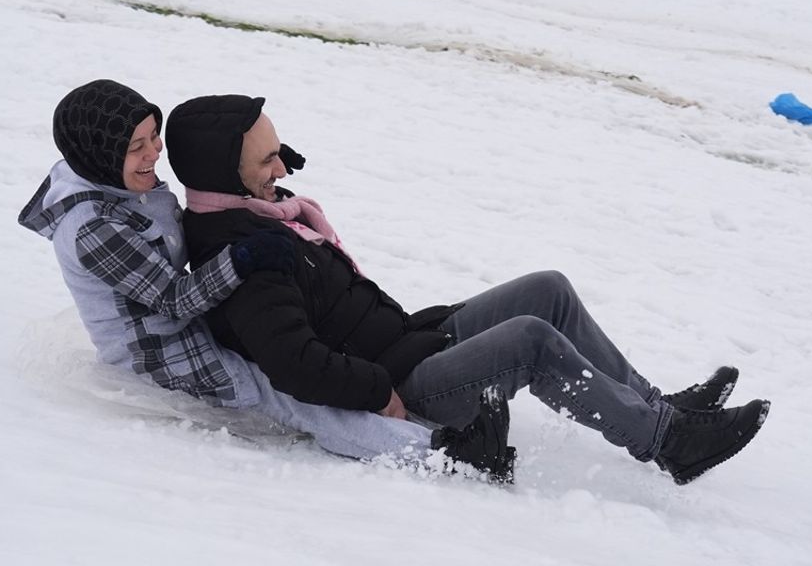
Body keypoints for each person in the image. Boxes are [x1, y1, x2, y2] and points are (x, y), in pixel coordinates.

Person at [164, 94, 771, 485]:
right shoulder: (243, 256)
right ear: (224, 169)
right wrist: (379, 393)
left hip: (410, 342)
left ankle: (661, 405)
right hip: (404, 384)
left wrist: (418, 333)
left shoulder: (268, 215)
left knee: (547, 289)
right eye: (268, 159)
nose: (283, 169)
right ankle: (668, 441)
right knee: (531, 340)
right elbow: (294, 364)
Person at [18, 79, 513, 479]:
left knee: (282, 358)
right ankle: (447, 458)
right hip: (162, 351)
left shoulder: (117, 180)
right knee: (290, 395)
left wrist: (262, 163)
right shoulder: (93, 230)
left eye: (154, 136)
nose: (154, 153)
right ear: (101, 156)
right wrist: (242, 258)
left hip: (186, 325)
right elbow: (171, 300)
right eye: (137, 147)